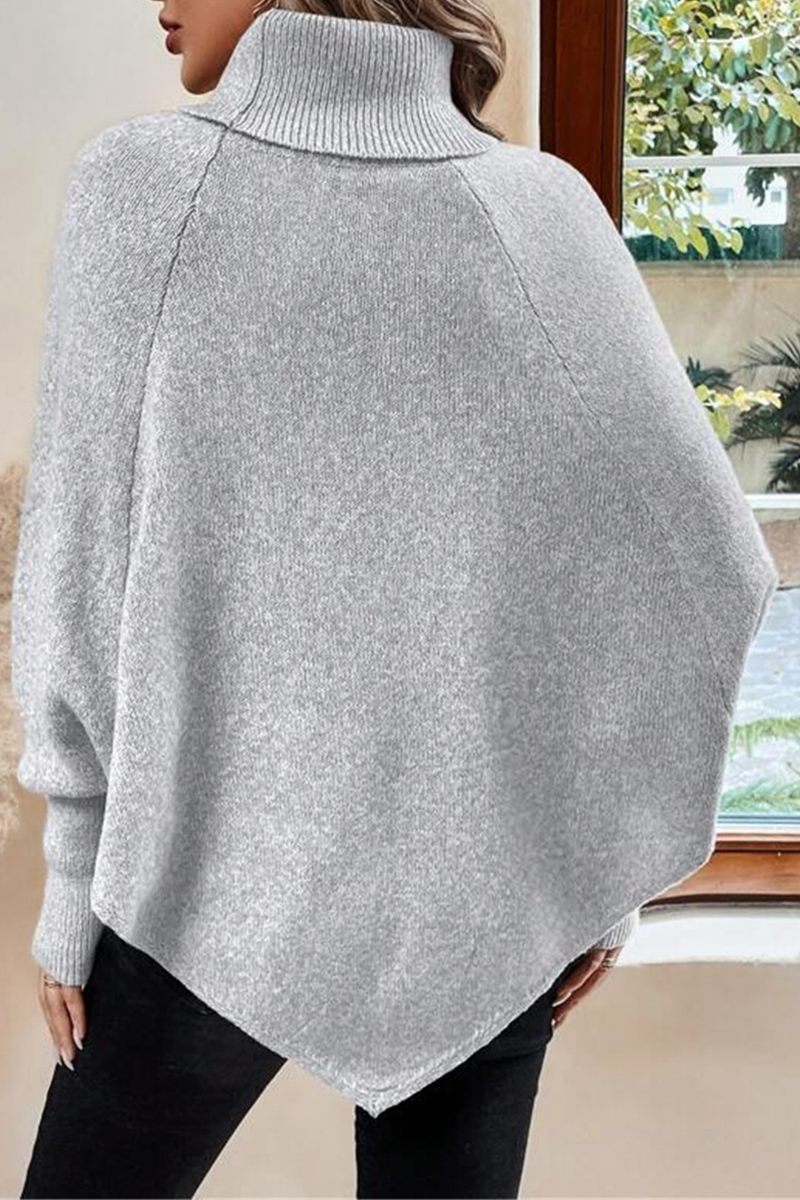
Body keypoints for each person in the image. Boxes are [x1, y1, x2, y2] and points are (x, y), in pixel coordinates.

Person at [12, 0, 777, 1197]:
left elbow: (78, 556)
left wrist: (74, 882)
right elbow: (705, 564)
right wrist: (593, 862)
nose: (159, 3)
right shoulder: (540, 210)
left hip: (200, 882)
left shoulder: (142, 187)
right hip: (482, 909)